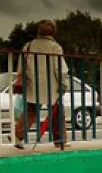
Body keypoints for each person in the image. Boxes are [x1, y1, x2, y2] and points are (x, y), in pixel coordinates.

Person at [13, 20, 70, 149]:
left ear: (38, 31)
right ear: (53, 32)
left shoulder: (28, 46)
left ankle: (18, 136)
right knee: (57, 113)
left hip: (33, 84)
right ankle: (60, 140)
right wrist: (63, 84)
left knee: (30, 112)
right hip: (52, 86)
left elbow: (21, 67)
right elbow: (60, 69)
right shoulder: (55, 47)